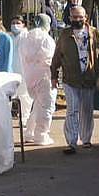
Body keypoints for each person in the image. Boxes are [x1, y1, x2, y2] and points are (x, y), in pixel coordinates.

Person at [51, 5, 99, 154]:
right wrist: (54, 75)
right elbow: (57, 56)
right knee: (72, 110)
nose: (78, 19)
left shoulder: (93, 33)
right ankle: (71, 142)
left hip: (89, 78)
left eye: (80, 17)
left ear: (86, 17)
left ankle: (86, 139)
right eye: (74, 17)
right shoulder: (65, 34)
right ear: (70, 18)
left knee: (86, 111)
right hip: (70, 79)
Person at [19, 14, 57, 146]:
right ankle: (41, 135)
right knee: (46, 106)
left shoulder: (25, 38)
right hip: (44, 76)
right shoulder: (47, 39)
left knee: (37, 105)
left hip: (29, 76)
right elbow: (50, 59)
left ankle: (29, 132)